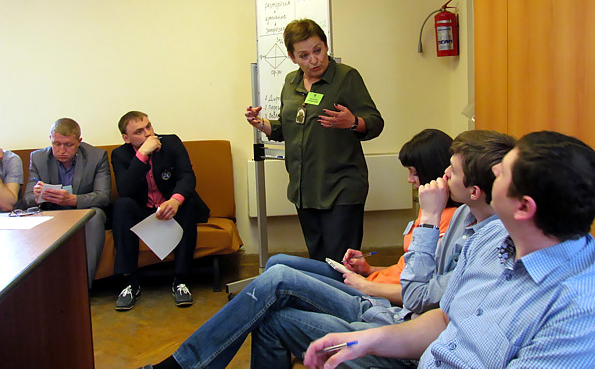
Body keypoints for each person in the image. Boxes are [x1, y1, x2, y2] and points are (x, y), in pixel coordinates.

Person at [138, 130, 514, 369]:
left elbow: (419, 298)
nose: (442, 176)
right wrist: (370, 272)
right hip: (384, 306)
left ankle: (183, 365)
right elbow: (414, 273)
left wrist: (371, 280)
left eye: (452, 172)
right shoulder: (463, 217)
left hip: (394, 319)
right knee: (275, 279)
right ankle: (185, 364)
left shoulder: (473, 235)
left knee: (277, 281)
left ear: (474, 190)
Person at [304, 131, 595, 369]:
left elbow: (418, 297)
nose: (494, 170)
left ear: (523, 207)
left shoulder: (577, 312)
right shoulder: (489, 235)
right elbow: (445, 319)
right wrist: (369, 341)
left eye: (504, 172)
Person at [265, 128, 458, 306]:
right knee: (277, 261)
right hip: (370, 282)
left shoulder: (448, 221)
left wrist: (364, 285)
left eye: (414, 173)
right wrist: (368, 269)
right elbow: (407, 269)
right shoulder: (431, 209)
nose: (409, 179)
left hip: (372, 294)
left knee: (279, 276)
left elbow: (420, 290)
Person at [245, 19, 384, 262]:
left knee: (339, 262)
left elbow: (375, 122)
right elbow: (288, 127)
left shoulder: (346, 77)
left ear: (326, 45)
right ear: (292, 57)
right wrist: (262, 124)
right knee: (318, 261)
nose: (314, 60)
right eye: (304, 55)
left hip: (341, 186)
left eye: (318, 50)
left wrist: (352, 121)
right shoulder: (291, 82)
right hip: (305, 188)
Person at [111, 111, 210, 311]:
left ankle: (181, 280)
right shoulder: (119, 155)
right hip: (144, 211)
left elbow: (187, 176)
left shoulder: (171, 143)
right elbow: (125, 189)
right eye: (139, 131)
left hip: (171, 206)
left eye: (148, 127)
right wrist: (142, 155)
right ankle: (130, 283)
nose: (148, 133)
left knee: (188, 203)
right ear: (126, 138)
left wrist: (175, 201)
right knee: (121, 206)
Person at [22, 118, 110, 287]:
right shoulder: (38, 157)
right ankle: (36, 289)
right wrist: (37, 196)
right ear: (50, 139)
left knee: (96, 215)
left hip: (82, 213)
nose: (61, 150)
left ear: (79, 141)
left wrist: (73, 199)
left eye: (68, 145)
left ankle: (82, 288)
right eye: (56, 144)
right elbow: (27, 198)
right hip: (51, 212)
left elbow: (103, 196)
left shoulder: (96, 156)